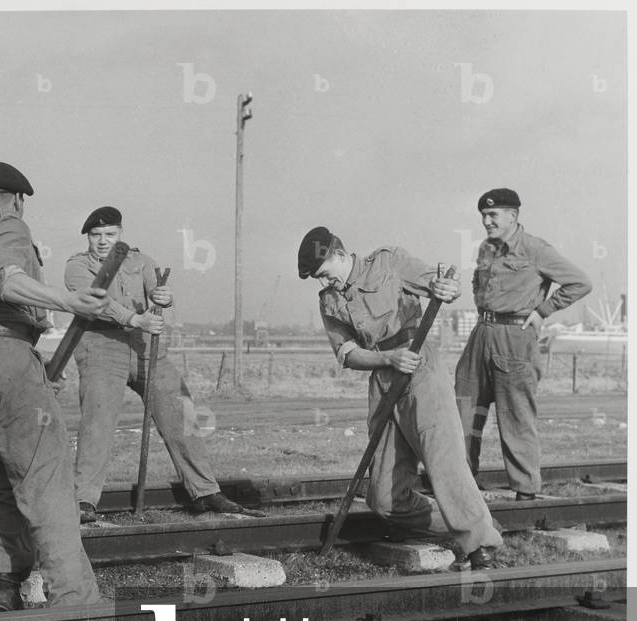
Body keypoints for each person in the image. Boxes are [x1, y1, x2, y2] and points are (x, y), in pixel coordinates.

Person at [0, 162, 109, 612]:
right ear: (16, 199)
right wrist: (68, 300)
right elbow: (2, 278)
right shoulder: (8, 225)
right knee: (47, 487)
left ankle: (2, 586)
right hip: (1, 363)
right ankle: (77, 607)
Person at [297, 225, 503, 569]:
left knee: (443, 460)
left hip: (419, 365)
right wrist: (385, 359)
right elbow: (347, 354)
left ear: (337, 254)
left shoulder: (388, 263)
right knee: (383, 498)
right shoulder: (329, 301)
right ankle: (466, 523)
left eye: (324, 274)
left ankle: (479, 544)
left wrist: (445, 288)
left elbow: (439, 286)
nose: (324, 283)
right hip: (383, 377)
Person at [65, 206, 263, 524]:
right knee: (98, 423)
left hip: (146, 348)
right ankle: (84, 502)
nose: (102, 241)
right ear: (88, 237)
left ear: (121, 234)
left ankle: (205, 491)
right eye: (96, 235)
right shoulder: (76, 266)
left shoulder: (141, 261)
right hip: (102, 349)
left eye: (110, 234)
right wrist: (134, 317)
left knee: (180, 410)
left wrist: (165, 298)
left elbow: (159, 296)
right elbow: (93, 303)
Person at [455, 189, 592, 500]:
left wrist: (542, 311)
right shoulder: (487, 249)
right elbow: (480, 285)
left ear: (513, 216)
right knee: (464, 409)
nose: (486, 221)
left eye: (493, 215)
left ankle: (525, 493)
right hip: (482, 333)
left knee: (515, 415)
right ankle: (461, 484)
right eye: (483, 216)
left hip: (515, 337)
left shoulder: (535, 249)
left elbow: (580, 282)